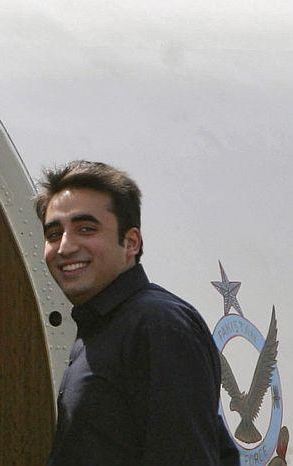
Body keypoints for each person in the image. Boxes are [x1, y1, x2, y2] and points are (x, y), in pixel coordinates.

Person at [34, 160, 239, 465]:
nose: (64, 247)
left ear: (131, 242)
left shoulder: (158, 324)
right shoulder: (103, 328)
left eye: (85, 229)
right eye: (53, 234)